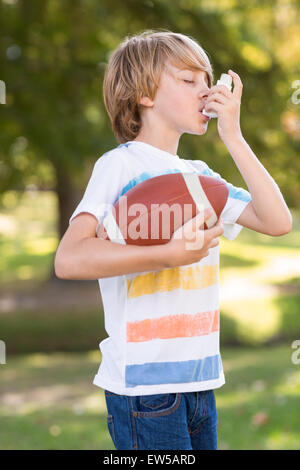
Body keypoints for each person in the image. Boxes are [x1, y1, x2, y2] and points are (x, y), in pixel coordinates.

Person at [54, 30, 292, 450]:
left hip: (200, 380)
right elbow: (69, 259)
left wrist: (234, 137)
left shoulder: (202, 178)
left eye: (209, 80)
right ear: (144, 95)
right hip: (144, 389)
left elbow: (277, 222)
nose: (208, 91)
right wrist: (167, 254)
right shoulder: (119, 166)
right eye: (189, 80)